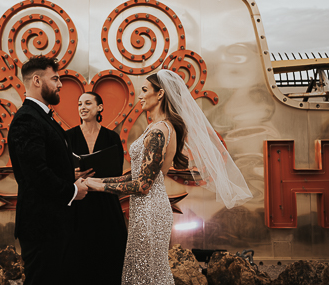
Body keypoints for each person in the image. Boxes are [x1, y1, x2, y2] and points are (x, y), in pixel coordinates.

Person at [86, 69, 252, 285]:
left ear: (160, 94)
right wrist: (97, 181)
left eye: (145, 90)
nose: (140, 95)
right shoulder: (162, 128)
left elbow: (143, 184)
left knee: (147, 276)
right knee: (148, 274)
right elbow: (139, 177)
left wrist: (99, 187)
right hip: (147, 209)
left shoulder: (158, 131)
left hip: (150, 211)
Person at [8, 55, 89, 285]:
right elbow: (36, 174)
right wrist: (73, 191)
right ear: (36, 80)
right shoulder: (27, 119)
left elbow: (43, 164)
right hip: (42, 226)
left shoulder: (42, 117)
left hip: (53, 224)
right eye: (55, 79)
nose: (60, 84)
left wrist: (68, 174)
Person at [65, 92, 127, 285]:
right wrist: (71, 175)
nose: (82, 107)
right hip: (78, 205)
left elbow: (117, 173)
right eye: (79, 104)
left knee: (109, 258)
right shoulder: (67, 137)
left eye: (88, 103)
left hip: (106, 205)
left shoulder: (112, 138)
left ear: (100, 107)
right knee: (77, 259)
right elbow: (57, 171)